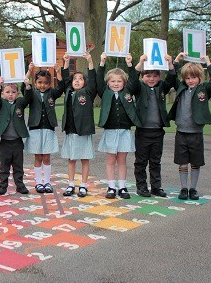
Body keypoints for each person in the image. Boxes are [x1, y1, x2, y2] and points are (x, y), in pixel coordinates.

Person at [168, 53, 211, 200]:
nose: (190, 81)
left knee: (195, 163)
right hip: (181, 133)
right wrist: (176, 61)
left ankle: (193, 189)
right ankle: (183, 188)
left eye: (194, 78)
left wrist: (208, 62)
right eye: (187, 78)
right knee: (182, 163)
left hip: (196, 133)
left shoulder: (204, 90)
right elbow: (172, 77)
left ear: (199, 78)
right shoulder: (180, 88)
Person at [96, 52, 141, 199]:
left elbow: (134, 79)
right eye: (113, 81)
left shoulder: (128, 91)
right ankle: (111, 187)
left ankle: (122, 187)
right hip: (110, 131)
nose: (116, 84)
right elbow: (97, 80)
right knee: (110, 161)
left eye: (119, 81)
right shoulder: (105, 92)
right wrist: (102, 62)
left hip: (124, 131)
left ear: (124, 83)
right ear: (108, 83)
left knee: (122, 161)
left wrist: (130, 64)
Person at [133, 54, 177, 198]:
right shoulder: (139, 87)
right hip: (142, 132)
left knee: (155, 161)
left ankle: (156, 187)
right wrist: (140, 63)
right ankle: (141, 186)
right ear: (142, 77)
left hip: (158, 132)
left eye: (154, 76)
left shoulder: (162, 87)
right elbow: (132, 81)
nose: (151, 79)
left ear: (159, 77)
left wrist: (171, 64)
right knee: (140, 162)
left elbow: (171, 79)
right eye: (147, 75)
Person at [24, 63, 64, 194]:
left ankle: (47, 182)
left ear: (49, 84)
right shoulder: (31, 93)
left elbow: (61, 87)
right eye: (40, 82)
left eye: (46, 83)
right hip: (35, 128)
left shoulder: (52, 93)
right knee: (38, 157)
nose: (43, 85)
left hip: (48, 128)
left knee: (46, 157)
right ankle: (38, 182)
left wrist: (58, 72)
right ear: (35, 83)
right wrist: (29, 71)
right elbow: (24, 87)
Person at [60, 52, 97, 197]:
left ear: (84, 83)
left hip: (83, 131)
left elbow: (93, 80)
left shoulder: (87, 92)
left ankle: (83, 185)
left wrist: (89, 61)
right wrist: (66, 62)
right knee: (71, 159)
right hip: (71, 131)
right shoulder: (68, 91)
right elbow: (63, 80)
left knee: (84, 159)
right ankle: (71, 184)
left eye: (80, 79)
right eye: (75, 79)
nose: (77, 81)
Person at [0, 76, 32, 195]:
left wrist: (27, 86)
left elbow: (28, 98)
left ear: (18, 93)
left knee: (18, 165)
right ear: (3, 93)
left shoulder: (20, 102)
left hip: (17, 141)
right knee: (4, 166)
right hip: (5, 141)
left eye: (13, 92)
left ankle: (20, 185)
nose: (10, 94)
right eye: (7, 92)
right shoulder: (1, 103)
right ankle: (3, 185)